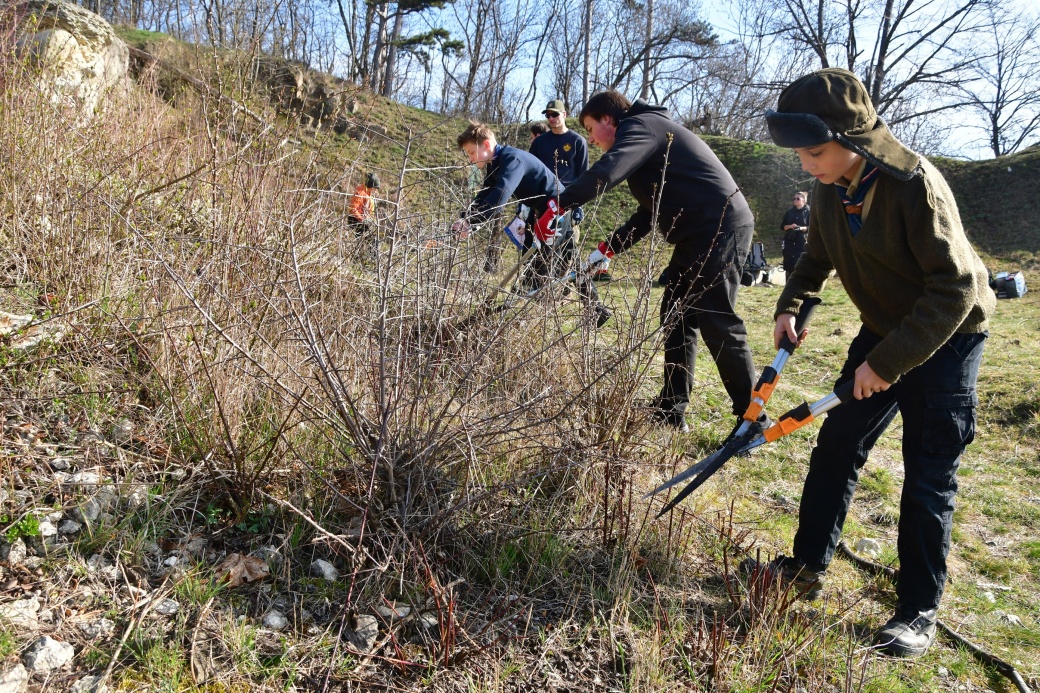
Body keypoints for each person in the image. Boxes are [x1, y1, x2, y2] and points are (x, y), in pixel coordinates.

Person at [759, 68, 994, 658]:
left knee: (927, 474)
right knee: (837, 445)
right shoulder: (828, 185)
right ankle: (807, 564)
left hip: (947, 337)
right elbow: (815, 258)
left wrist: (886, 364)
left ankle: (917, 611)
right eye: (799, 154)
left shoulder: (915, 185)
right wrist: (791, 305)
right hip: (885, 328)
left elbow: (955, 287)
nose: (807, 164)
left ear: (853, 140)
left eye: (815, 151)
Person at [539, 90, 760, 434]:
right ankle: (672, 408)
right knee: (675, 316)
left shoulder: (644, 126)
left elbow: (607, 172)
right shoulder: (648, 142)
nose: (590, 139)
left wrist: (560, 203)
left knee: (717, 318)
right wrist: (609, 248)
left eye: (590, 127)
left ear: (608, 119)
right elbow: (649, 213)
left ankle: (753, 419)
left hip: (720, 226)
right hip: (696, 232)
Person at [453, 121, 570, 276]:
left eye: (472, 152)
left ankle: (543, 296)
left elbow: (500, 195)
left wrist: (471, 222)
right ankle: (528, 292)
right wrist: (465, 218)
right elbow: (486, 193)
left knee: (545, 263)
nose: (470, 159)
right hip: (539, 209)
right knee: (530, 256)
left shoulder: (512, 160)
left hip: (556, 207)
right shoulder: (495, 163)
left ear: (486, 145)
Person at [529, 100, 595, 280]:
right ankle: (538, 287)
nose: (551, 118)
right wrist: (526, 203)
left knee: (569, 248)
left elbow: (583, 175)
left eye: (555, 114)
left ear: (564, 115)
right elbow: (531, 170)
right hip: (543, 201)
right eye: (548, 115)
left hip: (568, 200)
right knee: (542, 247)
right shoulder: (540, 142)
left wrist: (578, 206)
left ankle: (568, 288)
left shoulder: (578, 142)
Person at [780, 191, 810, 273]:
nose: (795, 200)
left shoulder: (808, 212)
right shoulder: (789, 212)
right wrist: (790, 226)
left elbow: (811, 228)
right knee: (788, 263)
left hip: (802, 241)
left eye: (798, 198)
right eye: (794, 199)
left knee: (801, 264)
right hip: (789, 240)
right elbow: (782, 226)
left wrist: (799, 228)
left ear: (804, 200)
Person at [347, 172, 380, 236]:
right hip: (355, 220)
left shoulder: (368, 193)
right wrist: (362, 219)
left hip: (363, 221)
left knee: (369, 241)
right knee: (366, 241)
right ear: (370, 186)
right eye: (375, 188)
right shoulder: (360, 193)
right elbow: (353, 208)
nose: (375, 191)